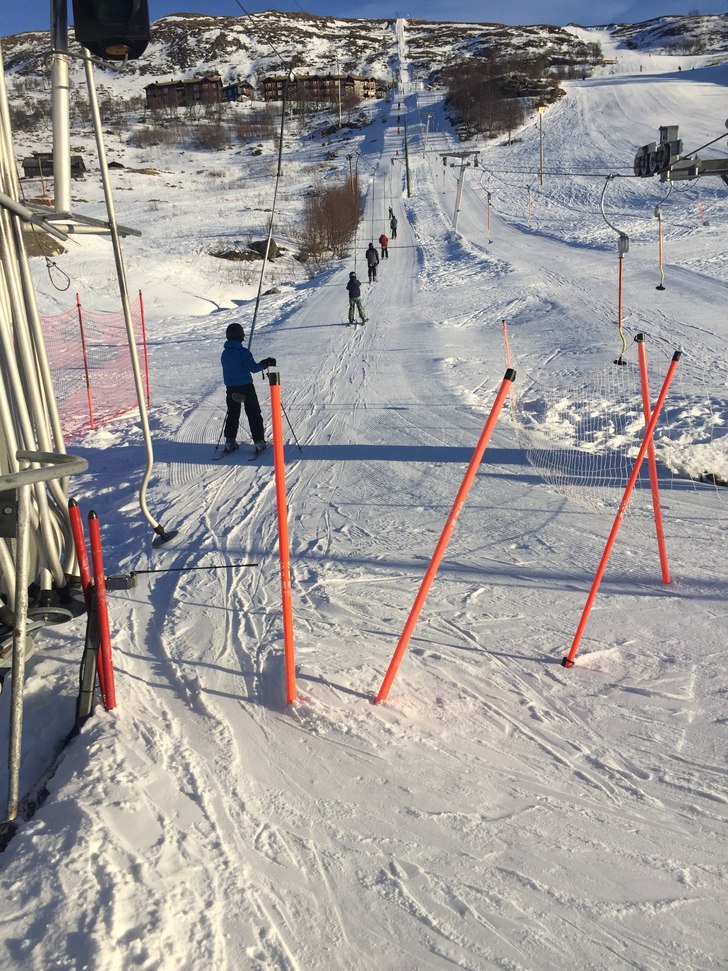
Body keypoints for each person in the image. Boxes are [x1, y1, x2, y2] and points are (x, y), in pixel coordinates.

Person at [220, 322, 276, 454]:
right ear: (240, 336)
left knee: (232, 414)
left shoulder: (224, 353)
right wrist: (265, 363)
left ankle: (230, 441)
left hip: (231, 388)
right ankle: (259, 442)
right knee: (253, 413)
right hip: (246, 387)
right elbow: (254, 368)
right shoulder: (243, 352)